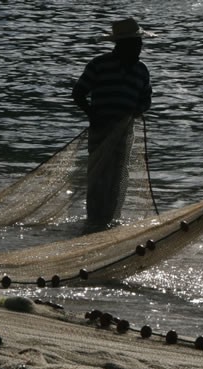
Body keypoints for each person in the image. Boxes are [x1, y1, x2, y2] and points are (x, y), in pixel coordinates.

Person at [72, 18, 154, 231]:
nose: (139, 48)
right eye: (135, 44)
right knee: (98, 176)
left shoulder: (141, 70)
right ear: (122, 45)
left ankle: (109, 220)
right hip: (100, 130)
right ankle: (94, 222)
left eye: (139, 43)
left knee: (118, 176)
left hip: (125, 132)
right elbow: (78, 93)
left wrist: (138, 110)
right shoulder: (99, 65)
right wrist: (92, 114)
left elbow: (146, 99)